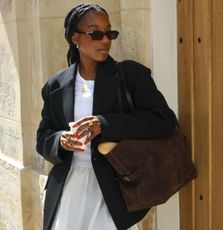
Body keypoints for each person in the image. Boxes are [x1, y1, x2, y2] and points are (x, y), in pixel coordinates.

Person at [36, 3, 177, 230]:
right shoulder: (56, 85)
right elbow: (42, 138)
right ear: (75, 38)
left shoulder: (130, 74)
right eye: (96, 34)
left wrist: (105, 124)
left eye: (109, 33)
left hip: (114, 191)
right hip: (68, 190)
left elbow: (164, 121)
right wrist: (61, 141)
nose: (105, 41)